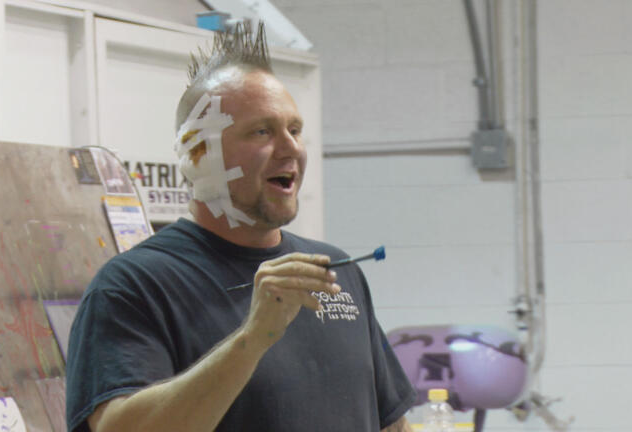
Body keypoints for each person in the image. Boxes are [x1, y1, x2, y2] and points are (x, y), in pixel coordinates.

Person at [65, 23, 416, 432]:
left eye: (295, 130)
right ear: (199, 155)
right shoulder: (135, 286)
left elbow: (392, 424)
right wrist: (253, 338)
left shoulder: (336, 269)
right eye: (262, 131)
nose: (292, 148)